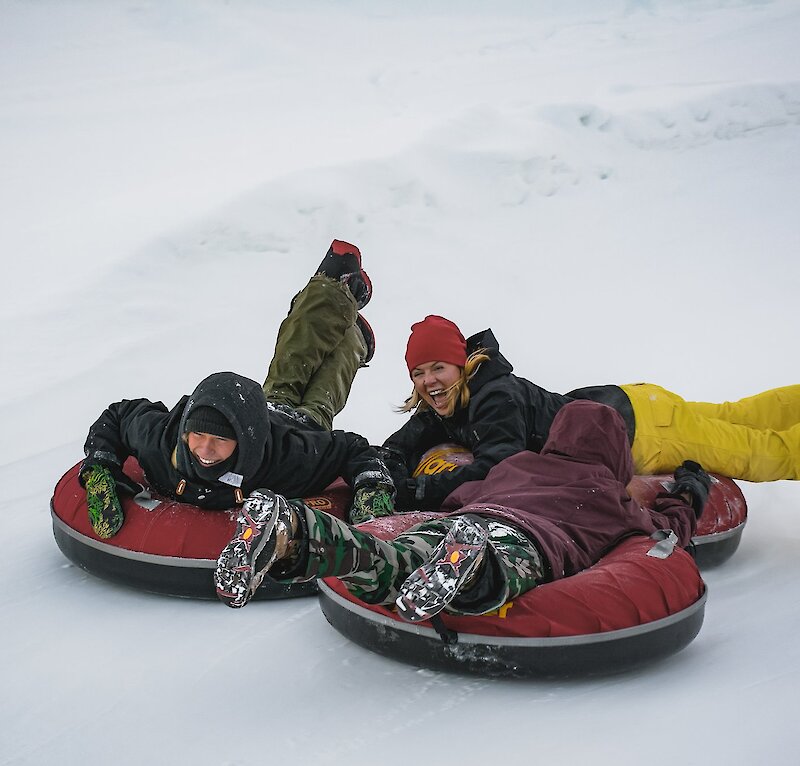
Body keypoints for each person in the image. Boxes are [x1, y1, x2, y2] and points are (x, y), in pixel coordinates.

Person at [213, 401, 710, 616]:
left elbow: (459, 497)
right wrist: (688, 488)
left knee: (391, 560)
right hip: (527, 540)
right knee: (495, 570)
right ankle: (473, 568)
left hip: (469, 520)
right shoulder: (611, 497)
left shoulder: (518, 465)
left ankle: (296, 530)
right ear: (616, 453)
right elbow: (668, 530)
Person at [80, 240, 395, 539]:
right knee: (318, 378)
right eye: (198, 436)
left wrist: (371, 487)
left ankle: (335, 286)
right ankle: (352, 335)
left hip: (300, 427)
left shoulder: (288, 460)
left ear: (244, 440)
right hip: (265, 407)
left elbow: (352, 449)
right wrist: (100, 469)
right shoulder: (160, 444)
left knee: (298, 363)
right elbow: (119, 415)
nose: (204, 449)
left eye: (219, 439)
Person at [379, 315, 800, 511]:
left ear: (463, 365)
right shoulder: (446, 402)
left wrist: (417, 493)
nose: (429, 380)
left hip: (644, 432)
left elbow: (498, 466)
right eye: (419, 373)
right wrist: (380, 471)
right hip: (630, 402)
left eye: (438, 368)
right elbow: (400, 443)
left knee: (766, 452)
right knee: (740, 416)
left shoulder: (494, 397)